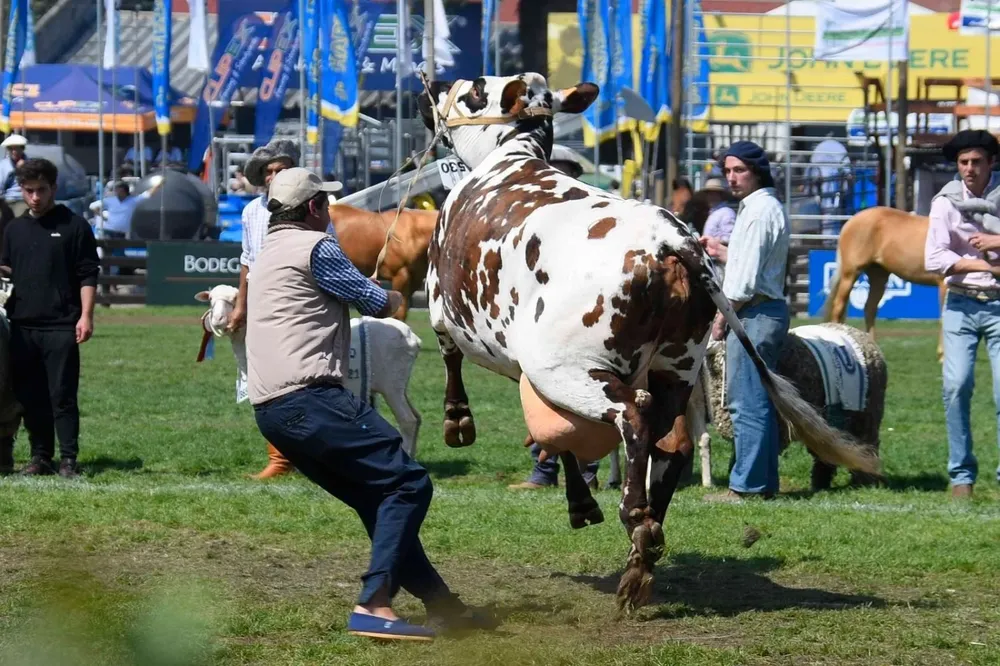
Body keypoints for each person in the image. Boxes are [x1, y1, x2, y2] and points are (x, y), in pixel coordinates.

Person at [248, 167, 488, 641]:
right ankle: (374, 603)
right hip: (311, 398)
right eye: (327, 205)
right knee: (408, 484)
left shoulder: (266, 252)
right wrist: (398, 293)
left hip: (271, 411)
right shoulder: (316, 247)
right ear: (315, 208)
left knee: (378, 498)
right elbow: (375, 303)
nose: (331, 213)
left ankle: (445, 609)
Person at [702, 140, 790, 503]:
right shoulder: (764, 207)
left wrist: (722, 318)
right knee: (759, 401)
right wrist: (724, 251)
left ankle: (746, 487)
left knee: (745, 402)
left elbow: (745, 281)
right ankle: (763, 482)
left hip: (752, 312)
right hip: (765, 310)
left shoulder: (755, 212)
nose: (732, 178)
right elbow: (753, 260)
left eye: (740, 170)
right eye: (727, 171)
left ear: (757, 171)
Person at [0, 158, 100, 478]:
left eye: (41, 190)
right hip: (21, 325)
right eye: (28, 191)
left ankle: (69, 459)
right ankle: (40, 457)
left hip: (62, 325)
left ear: (53, 188)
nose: (35, 198)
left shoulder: (75, 226)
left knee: (62, 396)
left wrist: (86, 316)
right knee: (30, 397)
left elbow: (88, 275)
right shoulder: (14, 229)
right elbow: (7, 270)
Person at [924, 129, 1000, 500]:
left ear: (991, 163)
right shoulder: (944, 202)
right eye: (963, 162)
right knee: (956, 386)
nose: (969, 169)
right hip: (960, 302)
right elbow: (934, 258)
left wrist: (996, 241)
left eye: (977, 162)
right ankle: (961, 476)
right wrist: (976, 261)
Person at [227, 140, 300, 479]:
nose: (274, 176)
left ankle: (305, 454)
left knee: (301, 382)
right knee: (264, 382)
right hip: (260, 304)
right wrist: (241, 306)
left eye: (282, 169)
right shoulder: (251, 212)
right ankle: (279, 457)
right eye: (269, 171)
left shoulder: (311, 206)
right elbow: (247, 261)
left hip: (298, 305)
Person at [700, 177, 737, 243]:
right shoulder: (713, 212)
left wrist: (711, 241)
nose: (710, 197)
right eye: (708, 194)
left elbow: (729, 238)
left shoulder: (727, 212)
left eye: (713, 194)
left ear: (720, 195)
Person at [0, 134, 29, 217]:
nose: (14, 152)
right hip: (4, 199)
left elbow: (30, 183)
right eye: (11, 149)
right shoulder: (3, 164)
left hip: (21, 199)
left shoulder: (30, 164)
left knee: (22, 219)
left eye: (16, 148)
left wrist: (23, 169)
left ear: (22, 148)